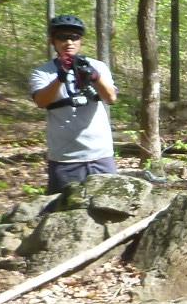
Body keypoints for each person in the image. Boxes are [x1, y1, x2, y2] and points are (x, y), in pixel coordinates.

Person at [28, 13, 120, 194]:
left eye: (74, 37)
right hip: (65, 158)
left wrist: (94, 76)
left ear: (80, 41)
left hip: (100, 155)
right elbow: (41, 101)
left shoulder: (98, 66)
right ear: (52, 41)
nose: (69, 42)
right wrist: (60, 78)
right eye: (62, 37)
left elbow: (111, 98)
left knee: (109, 211)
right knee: (62, 211)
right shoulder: (43, 73)